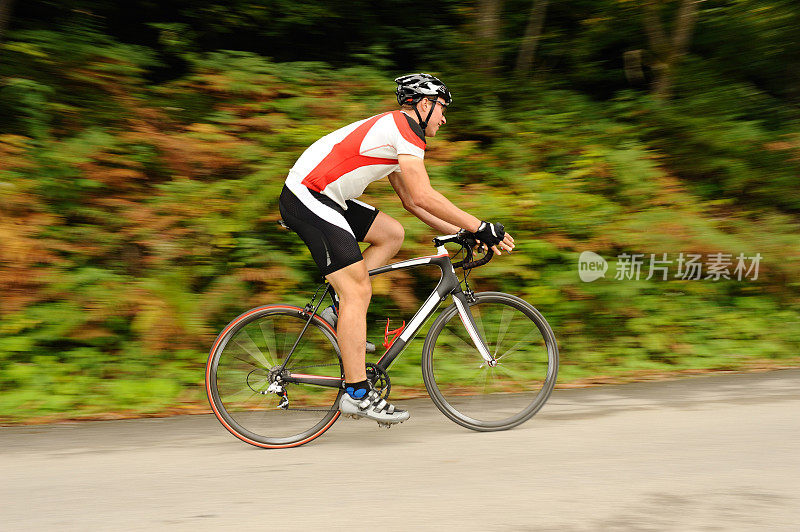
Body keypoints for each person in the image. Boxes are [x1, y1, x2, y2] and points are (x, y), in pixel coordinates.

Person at [278, 73, 515, 425]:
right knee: (358, 287)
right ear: (423, 104)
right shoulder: (404, 129)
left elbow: (411, 203)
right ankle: (356, 392)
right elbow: (424, 195)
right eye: (442, 109)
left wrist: (461, 234)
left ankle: (339, 309)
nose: (444, 118)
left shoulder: (397, 133)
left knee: (391, 234)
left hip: (327, 196)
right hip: (307, 197)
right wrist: (479, 226)